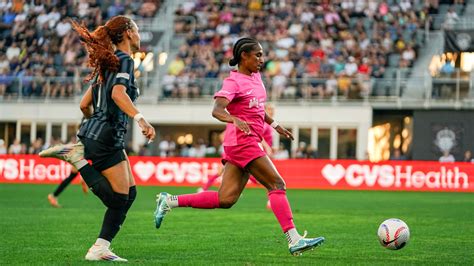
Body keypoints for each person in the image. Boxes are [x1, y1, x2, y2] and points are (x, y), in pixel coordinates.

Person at [154, 37, 324, 256]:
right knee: (277, 184)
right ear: (244, 56)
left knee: (225, 199)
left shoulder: (256, 77)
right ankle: (294, 239)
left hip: (245, 142)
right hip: (242, 142)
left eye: (262, 55)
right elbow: (217, 110)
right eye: (258, 55)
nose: (262, 59)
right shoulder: (233, 82)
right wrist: (233, 119)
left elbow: (257, 109)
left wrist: (275, 125)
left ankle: (169, 201)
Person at [39, 15, 155, 262]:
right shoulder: (124, 61)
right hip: (106, 136)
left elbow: (84, 105)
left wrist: (96, 123)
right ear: (127, 33)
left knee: (129, 194)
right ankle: (76, 158)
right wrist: (140, 118)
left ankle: (101, 247)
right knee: (118, 199)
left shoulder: (108, 63)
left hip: (100, 134)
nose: (139, 35)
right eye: (136, 29)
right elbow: (118, 94)